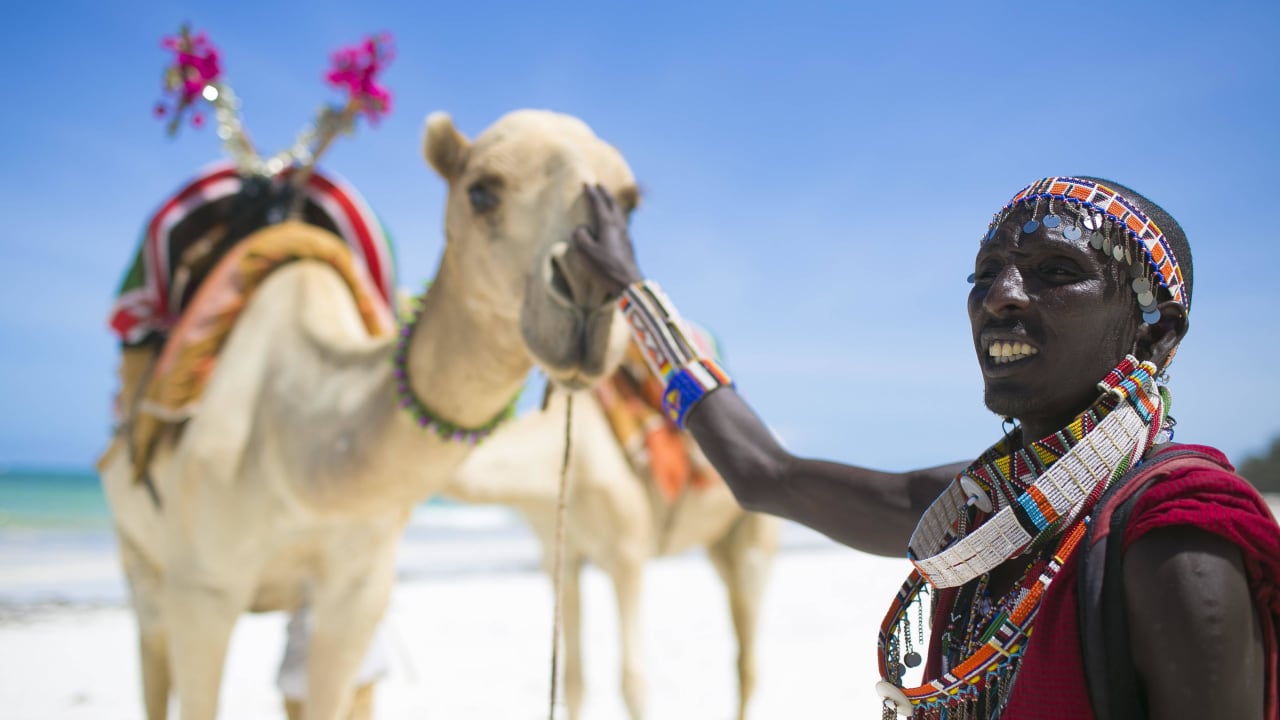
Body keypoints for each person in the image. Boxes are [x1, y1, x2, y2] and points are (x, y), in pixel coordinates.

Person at [570, 177, 1280, 719]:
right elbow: (766, 476)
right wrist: (636, 295)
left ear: (1157, 334)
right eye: (984, 272)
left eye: (1057, 272)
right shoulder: (977, 511)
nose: (999, 294)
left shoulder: (1175, 543)